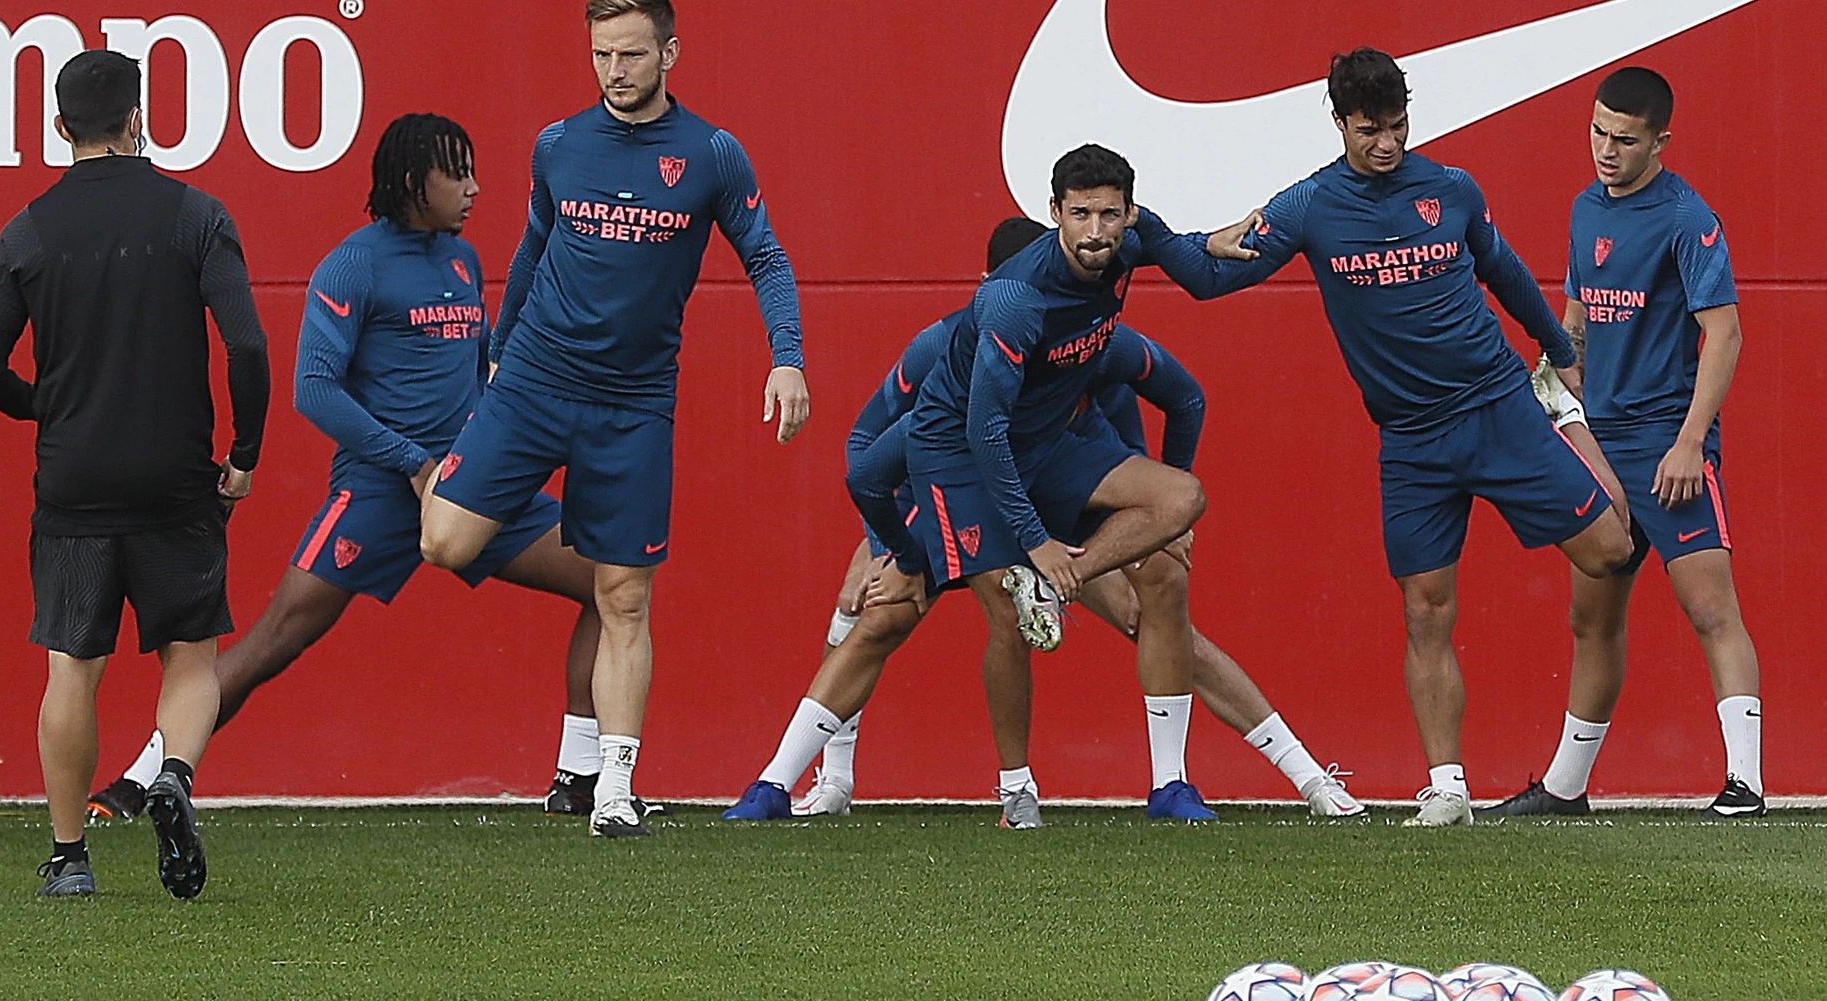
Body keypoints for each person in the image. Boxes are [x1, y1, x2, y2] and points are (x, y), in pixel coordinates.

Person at [80, 115, 645, 824]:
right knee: (273, 640)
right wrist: (411, 462)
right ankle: (144, 780)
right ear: (414, 182)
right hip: (380, 489)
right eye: (457, 172)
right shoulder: (352, 264)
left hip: (471, 489)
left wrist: (507, 442)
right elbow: (313, 388)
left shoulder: (463, 259)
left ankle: (577, 774)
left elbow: (480, 372)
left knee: (609, 578)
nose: (475, 188)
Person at [723, 146, 1275, 828]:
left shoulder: (1129, 246)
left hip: (1040, 453)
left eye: (1109, 215)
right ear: (1054, 218)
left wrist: (1210, 241)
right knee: (906, 613)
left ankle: (1189, 774)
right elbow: (905, 450)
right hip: (958, 457)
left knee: (1181, 500)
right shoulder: (1008, 306)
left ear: (1128, 214)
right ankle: (787, 782)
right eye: (1081, 215)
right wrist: (895, 546)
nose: (1097, 230)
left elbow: (1194, 318)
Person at [1156, 48, 1636, 826]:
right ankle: (1448, 786)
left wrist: (1563, 352)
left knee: (1613, 552)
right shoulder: (1311, 205)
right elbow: (1212, 280)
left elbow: (1506, 272)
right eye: (1371, 130)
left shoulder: (1449, 190)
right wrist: (1158, 235)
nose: (1388, 143)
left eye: (1399, 126)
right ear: (1341, 122)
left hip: (1496, 406)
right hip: (1411, 440)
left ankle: (1565, 418)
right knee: (1425, 609)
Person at [786, 222, 1361, 821]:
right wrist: (891, 545)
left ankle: (1280, 778)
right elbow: (874, 448)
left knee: (1160, 595)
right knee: (882, 606)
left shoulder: (1093, 339)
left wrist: (1155, 525)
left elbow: (1180, 400)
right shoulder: (946, 348)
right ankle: (835, 781)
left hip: (1072, 501)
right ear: (989, 289)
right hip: (980, 498)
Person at [418, 0, 808, 837]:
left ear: (669, 52)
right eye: (601, 55)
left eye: (631, 55)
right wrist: (496, 346)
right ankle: (588, 544)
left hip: (632, 405)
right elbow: (533, 243)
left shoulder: (711, 153)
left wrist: (787, 357)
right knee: (444, 539)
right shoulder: (559, 144)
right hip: (531, 380)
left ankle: (614, 786)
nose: (615, 71)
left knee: (625, 597)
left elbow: (767, 257)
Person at [0, 50, 271, 897]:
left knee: (72, 667)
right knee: (191, 654)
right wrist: (242, 455)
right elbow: (246, 343)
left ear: (61, 129)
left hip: (75, 481)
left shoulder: (26, 229)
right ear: (138, 120)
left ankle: (68, 858)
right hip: (177, 478)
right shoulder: (195, 215)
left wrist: (47, 408)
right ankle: (173, 772)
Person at [1485, 67, 1765, 819]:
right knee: (1591, 617)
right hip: (1601, 447)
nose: (1606, 149)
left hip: (1668, 445)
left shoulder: (1687, 218)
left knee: (1712, 609)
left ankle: (1747, 785)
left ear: (1661, 142)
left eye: (1625, 139)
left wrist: (1691, 441)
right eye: (1598, 131)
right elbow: (1575, 322)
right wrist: (1551, 398)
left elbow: (1725, 333)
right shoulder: (1585, 209)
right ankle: (1566, 788)